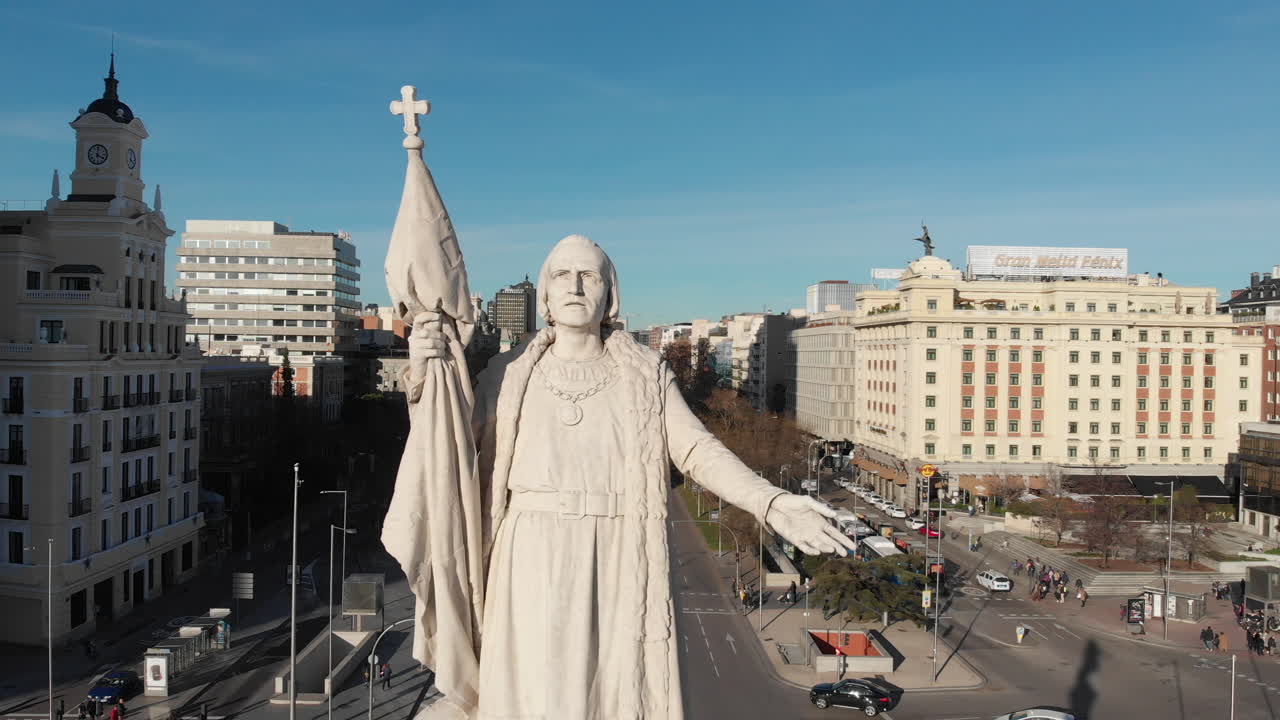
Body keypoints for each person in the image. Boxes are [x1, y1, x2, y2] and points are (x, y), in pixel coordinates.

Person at [392, 234, 857, 719]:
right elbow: (447, 446)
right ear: (545, 297)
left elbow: (696, 449)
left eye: (588, 275)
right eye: (560, 275)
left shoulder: (644, 373)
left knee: (606, 690)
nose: (574, 286)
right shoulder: (505, 373)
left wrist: (771, 503)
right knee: (533, 685)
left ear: (609, 295)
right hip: (526, 549)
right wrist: (427, 371)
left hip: (615, 549)